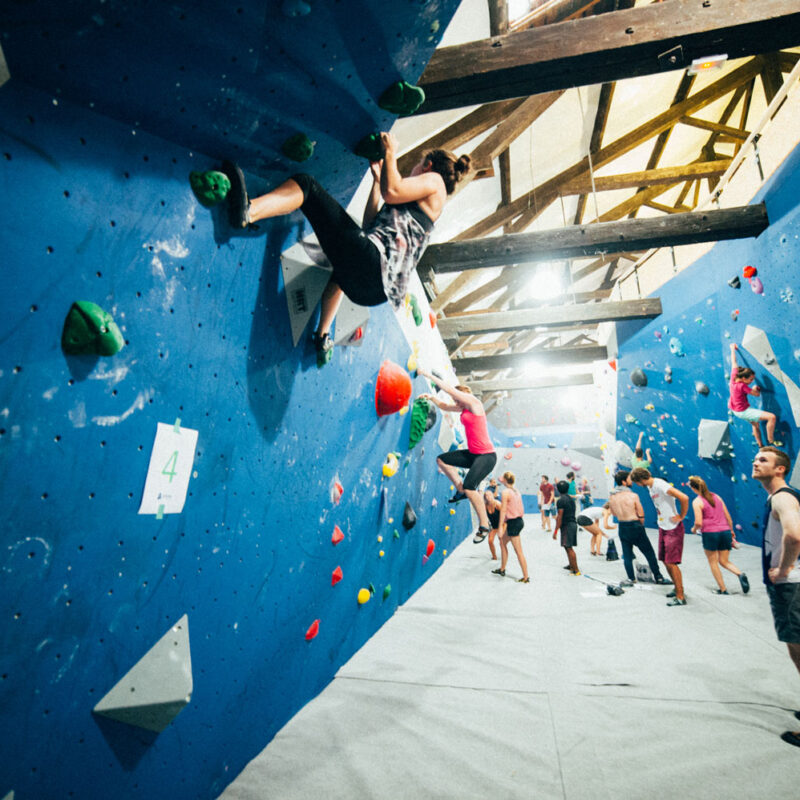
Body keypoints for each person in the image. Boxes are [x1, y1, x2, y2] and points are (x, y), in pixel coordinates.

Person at [220, 134, 471, 361]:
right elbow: (370, 226)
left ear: (427, 166)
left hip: (373, 265)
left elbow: (392, 190)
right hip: (372, 292)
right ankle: (322, 336)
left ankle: (249, 211)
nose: (414, 169)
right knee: (340, 270)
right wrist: (375, 183)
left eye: (418, 165)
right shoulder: (421, 209)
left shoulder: (436, 181)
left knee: (306, 185)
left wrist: (391, 152)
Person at [751, 446, 800, 748]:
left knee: (799, 651)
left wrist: (784, 569)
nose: (756, 463)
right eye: (756, 458)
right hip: (793, 584)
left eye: (763, 460)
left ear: (780, 469)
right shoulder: (784, 496)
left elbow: (794, 535)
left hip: (790, 586)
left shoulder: (782, 497)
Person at [418, 368, 497, 543]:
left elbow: (450, 391)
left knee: (471, 488)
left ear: (462, 396)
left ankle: (484, 524)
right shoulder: (463, 407)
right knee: (442, 460)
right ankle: (460, 489)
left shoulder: (474, 403)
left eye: (457, 399)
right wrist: (431, 397)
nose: (455, 402)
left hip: (486, 456)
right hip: (474, 455)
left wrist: (428, 375)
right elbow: (445, 406)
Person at [631, 467, 689, 606]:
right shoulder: (651, 488)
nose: (638, 485)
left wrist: (681, 516)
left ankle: (680, 597)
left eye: (637, 483)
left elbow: (684, 497)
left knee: (671, 562)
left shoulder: (659, 484)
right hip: (663, 527)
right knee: (664, 560)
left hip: (673, 528)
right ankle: (677, 588)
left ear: (640, 480)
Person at [688, 475, 749, 595]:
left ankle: (723, 589)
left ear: (694, 488)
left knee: (713, 562)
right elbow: (728, 517)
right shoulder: (717, 497)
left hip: (710, 534)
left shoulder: (697, 501)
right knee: (724, 561)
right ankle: (740, 574)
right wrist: (731, 531)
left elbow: (698, 522)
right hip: (725, 531)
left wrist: (694, 529)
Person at [607, 470, 668, 586]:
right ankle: (658, 577)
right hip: (635, 525)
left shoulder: (612, 497)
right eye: (629, 479)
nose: (632, 481)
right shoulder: (633, 495)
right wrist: (640, 524)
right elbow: (641, 513)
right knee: (649, 552)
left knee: (627, 554)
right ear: (624, 482)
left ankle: (631, 578)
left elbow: (614, 513)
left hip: (622, 526)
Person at [729, 343, 781, 447]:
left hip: (735, 409)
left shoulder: (734, 376)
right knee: (772, 417)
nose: (752, 381)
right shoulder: (742, 386)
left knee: (755, 424)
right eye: (751, 379)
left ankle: (760, 445)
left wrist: (732, 349)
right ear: (744, 378)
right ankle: (771, 441)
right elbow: (756, 394)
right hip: (743, 411)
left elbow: (733, 362)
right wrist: (754, 389)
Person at [491, 472, 530, 582]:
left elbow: (503, 510)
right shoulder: (516, 491)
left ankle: (526, 577)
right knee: (503, 543)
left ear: (505, 480)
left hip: (513, 523)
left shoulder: (505, 492)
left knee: (518, 551)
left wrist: (500, 528)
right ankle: (502, 569)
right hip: (518, 521)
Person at [553, 479, 580, 575]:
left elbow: (559, 517)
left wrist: (555, 531)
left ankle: (576, 570)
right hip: (572, 524)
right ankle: (571, 565)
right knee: (567, 546)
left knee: (569, 547)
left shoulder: (560, 501)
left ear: (558, 489)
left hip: (567, 526)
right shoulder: (570, 499)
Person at [483, 479, 501, 560]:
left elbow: (506, 516)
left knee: (501, 541)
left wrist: (503, 527)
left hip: (502, 524)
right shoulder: (485, 506)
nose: (488, 497)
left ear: (493, 495)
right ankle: (494, 556)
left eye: (489, 495)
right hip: (494, 527)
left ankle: (504, 555)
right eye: (486, 495)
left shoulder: (497, 504)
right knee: (490, 540)